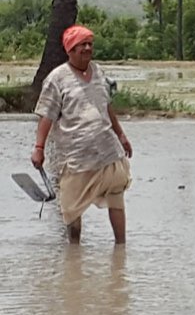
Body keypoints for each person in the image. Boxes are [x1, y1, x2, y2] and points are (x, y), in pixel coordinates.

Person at [31, 24, 133, 244]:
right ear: (70, 50)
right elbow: (46, 116)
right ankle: (74, 253)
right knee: (71, 210)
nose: (87, 48)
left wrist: (122, 136)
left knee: (117, 197)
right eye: (81, 45)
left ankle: (121, 249)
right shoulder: (56, 79)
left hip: (108, 151)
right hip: (76, 158)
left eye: (89, 44)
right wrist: (39, 148)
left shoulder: (98, 72)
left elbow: (106, 107)